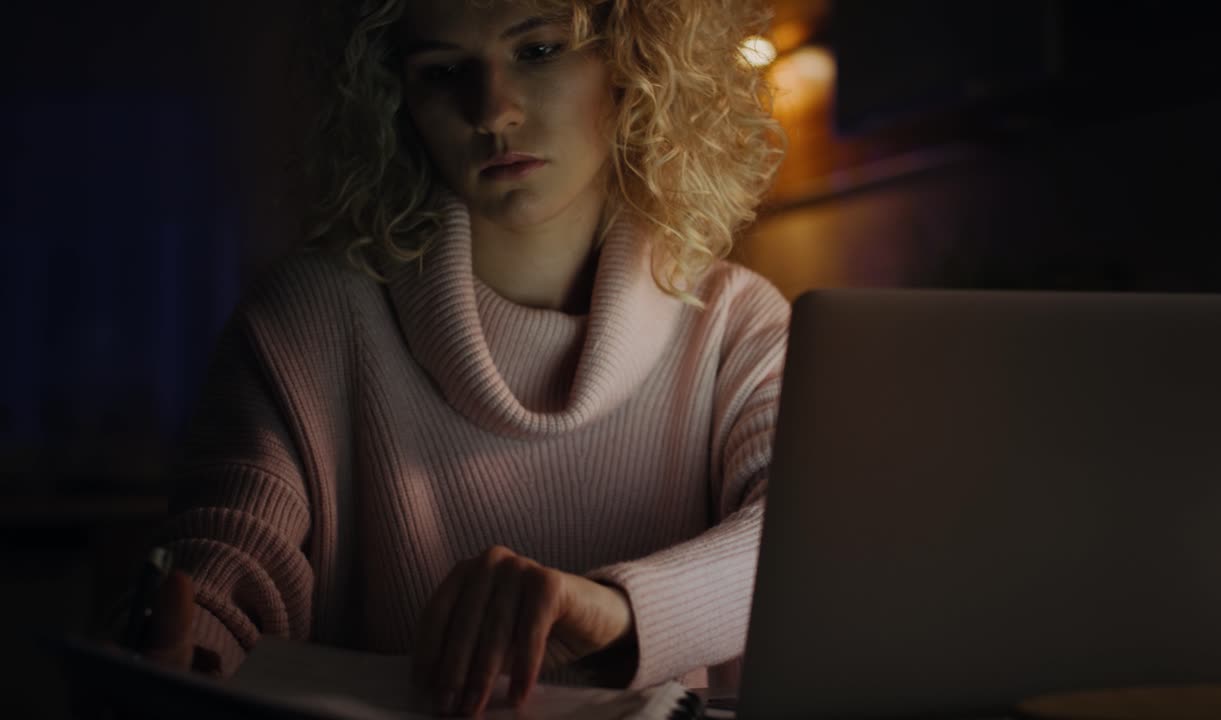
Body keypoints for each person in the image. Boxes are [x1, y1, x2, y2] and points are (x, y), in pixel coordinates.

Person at [128, 0, 788, 715]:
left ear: (635, 62)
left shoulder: (738, 326)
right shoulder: (307, 320)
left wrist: (616, 610)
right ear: (394, 96)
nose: (493, 111)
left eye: (537, 51)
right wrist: (187, 635)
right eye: (443, 71)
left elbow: (798, 546)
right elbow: (232, 557)